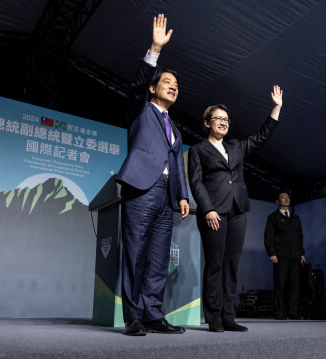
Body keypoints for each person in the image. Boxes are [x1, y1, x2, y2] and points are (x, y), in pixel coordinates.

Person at [115, 14, 190, 336]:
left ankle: (153, 315)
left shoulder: (176, 129)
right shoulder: (140, 109)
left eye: (176, 86)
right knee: (135, 254)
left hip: (166, 196)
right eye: (167, 84)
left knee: (159, 259)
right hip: (141, 189)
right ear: (152, 89)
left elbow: (177, 164)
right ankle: (132, 316)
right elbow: (135, 86)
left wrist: (183, 194)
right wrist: (154, 50)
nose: (173, 88)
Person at [188, 86, 283, 332]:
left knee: (231, 265)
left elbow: (262, 136)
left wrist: (276, 108)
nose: (223, 122)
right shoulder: (198, 150)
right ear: (207, 123)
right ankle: (214, 318)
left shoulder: (236, 147)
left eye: (226, 120)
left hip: (238, 210)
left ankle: (228, 317)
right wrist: (207, 209)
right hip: (213, 212)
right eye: (218, 119)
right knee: (215, 264)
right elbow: (196, 183)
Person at [264, 191, 305, 320]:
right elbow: (268, 236)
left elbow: (300, 237)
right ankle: (278, 311)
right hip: (280, 255)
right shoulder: (273, 217)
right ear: (277, 201)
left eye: (288, 197)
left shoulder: (295, 217)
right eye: (283, 198)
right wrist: (272, 253)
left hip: (295, 256)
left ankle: (292, 311)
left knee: (295, 285)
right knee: (279, 284)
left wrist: (302, 252)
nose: (286, 199)